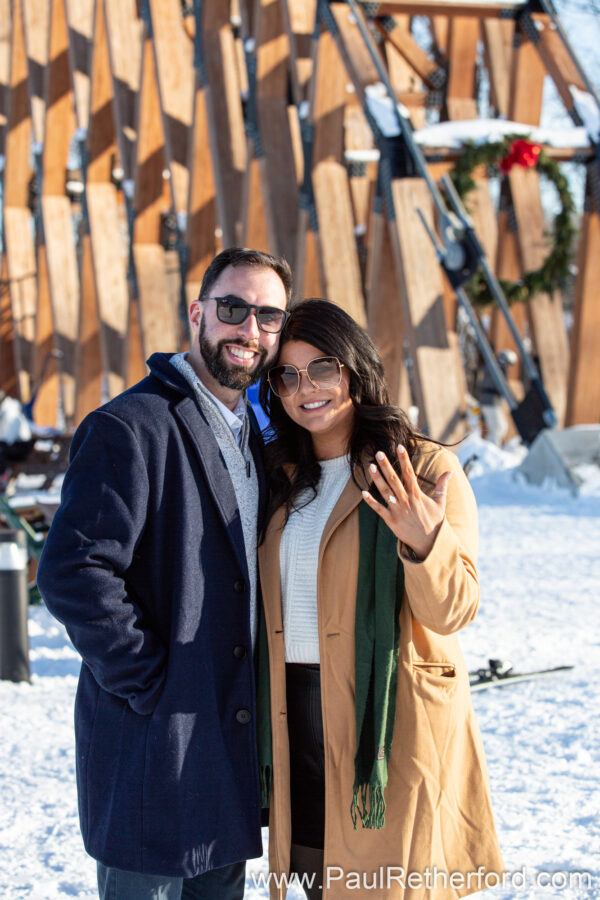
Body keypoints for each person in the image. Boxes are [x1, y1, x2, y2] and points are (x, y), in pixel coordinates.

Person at [36, 247, 292, 899]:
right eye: (233, 308)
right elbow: (74, 571)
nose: (250, 329)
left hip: (224, 761)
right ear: (197, 314)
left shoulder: (253, 435)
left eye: (268, 316)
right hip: (151, 754)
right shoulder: (130, 426)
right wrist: (149, 681)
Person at [256, 299, 504, 899]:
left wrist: (425, 542)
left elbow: (454, 610)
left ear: (356, 369)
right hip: (296, 714)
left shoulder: (421, 467)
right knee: (316, 877)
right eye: (288, 376)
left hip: (389, 719)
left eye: (322, 368)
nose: (305, 389)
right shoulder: (279, 475)